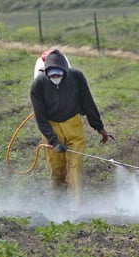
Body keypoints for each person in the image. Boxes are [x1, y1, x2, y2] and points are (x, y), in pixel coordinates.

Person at [30, 49, 109, 208]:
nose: (56, 78)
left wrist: (99, 127)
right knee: (57, 169)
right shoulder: (38, 85)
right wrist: (53, 141)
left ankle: (76, 206)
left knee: (75, 165)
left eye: (59, 75)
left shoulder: (76, 77)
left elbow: (88, 102)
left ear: (66, 72)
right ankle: (59, 205)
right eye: (52, 76)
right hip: (51, 128)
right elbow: (40, 118)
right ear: (46, 73)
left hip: (73, 125)